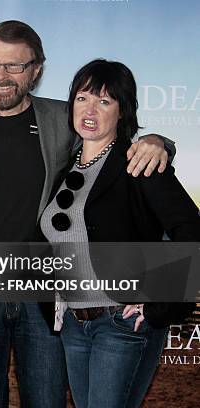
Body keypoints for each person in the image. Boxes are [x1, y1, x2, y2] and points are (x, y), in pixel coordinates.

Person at [0, 21, 173, 408]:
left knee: (47, 400)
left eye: (15, 66)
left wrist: (159, 143)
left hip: (46, 294)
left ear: (37, 69)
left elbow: (116, 140)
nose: (1, 76)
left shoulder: (63, 118)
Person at [39, 59, 200, 408]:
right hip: (72, 325)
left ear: (122, 110)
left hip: (120, 323)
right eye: (83, 98)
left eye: (105, 101)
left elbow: (191, 230)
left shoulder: (139, 163)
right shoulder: (66, 171)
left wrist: (160, 301)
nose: (91, 109)